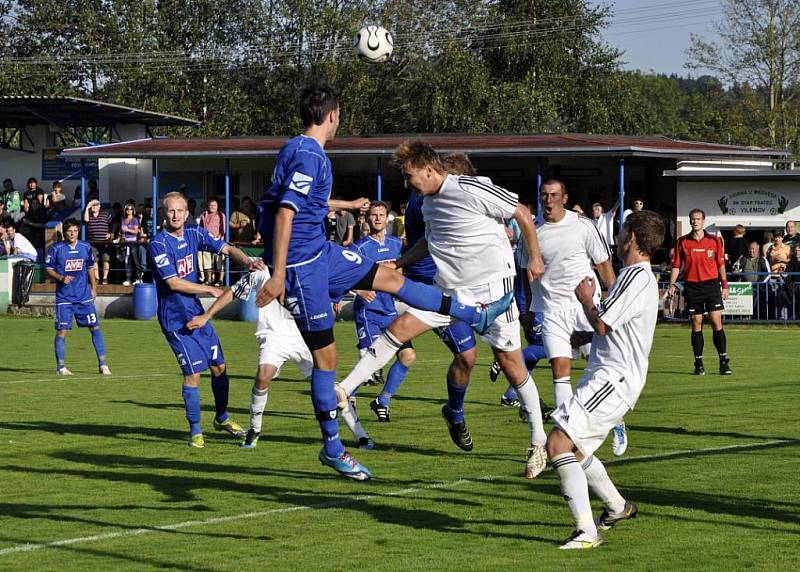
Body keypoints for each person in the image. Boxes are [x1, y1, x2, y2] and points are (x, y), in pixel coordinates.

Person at [256, 85, 513, 481]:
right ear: (333, 114)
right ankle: (333, 450)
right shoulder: (309, 155)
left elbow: (300, 204)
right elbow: (286, 213)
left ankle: (473, 313)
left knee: (391, 276)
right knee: (327, 360)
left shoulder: (295, 148)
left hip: (321, 253)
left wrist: (343, 206)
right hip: (303, 268)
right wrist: (277, 273)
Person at [334, 140, 549, 480]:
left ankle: (538, 441)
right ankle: (344, 389)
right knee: (400, 328)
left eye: (409, 176)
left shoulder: (469, 187)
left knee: (511, 364)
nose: (407, 184)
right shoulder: (425, 203)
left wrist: (534, 257)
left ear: (429, 170)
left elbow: (521, 212)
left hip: (494, 295)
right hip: (448, 293)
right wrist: (401, 263)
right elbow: (428, 242)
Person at [547, 210, 664, 550]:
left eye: (622, 230)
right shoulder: (635, 276)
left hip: (614, 379)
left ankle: (587, 533)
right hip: (609, 376)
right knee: (577, 449)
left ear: (634, 239)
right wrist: (581, 337)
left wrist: (586, 300)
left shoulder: (635, 276)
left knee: (557, 445)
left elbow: (603, 324)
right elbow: (609, 329)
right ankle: (616, 506)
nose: (617, 236)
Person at [148, 192, 262, 448]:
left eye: (179, 210)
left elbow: (227, 248)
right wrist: (210, 289)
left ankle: (221, 418)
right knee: (193, 374)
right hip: (176, 320)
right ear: (164, 213)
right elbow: (173, 282)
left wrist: (248, 261)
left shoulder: (194, 233)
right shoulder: (158, 244)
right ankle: (196, 430)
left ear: (187, 213)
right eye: (170, 211)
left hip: (198, 314)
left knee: (219, 367)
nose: (175, 215)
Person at [532, 179, 628, 456]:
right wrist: (531, 311)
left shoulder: (583, 226)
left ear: (564, 198)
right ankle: (568, 438)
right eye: (543, 196)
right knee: (559, 371)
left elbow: (604, 265)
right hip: (551, 310)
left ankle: (616, 420)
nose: (548, 201)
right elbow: (528, 271)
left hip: (584, 307)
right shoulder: (533, 230)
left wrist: (613, 304)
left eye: (553, 195)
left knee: (599, 370)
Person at [186, 267, 314, 449]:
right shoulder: (262, 270)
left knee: (326, 388)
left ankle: (359, 434)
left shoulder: (304, 266)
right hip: (273, 336)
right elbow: (233, 291)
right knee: (262, 377)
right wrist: (206, 316)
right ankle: (254, 430)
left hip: (303, 334)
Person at [350, 201, 416, 423]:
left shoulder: (397, 245)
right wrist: (358, 289)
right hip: (368, 312)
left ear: (387, 218)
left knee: (408, 356)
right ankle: (347, 393)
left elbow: (405, 272)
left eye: (381, 214)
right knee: (373, 360)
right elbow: (339, 273)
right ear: (367, 219)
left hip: (390, 312)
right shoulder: (359, 248)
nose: (377, 218)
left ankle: (383, 401)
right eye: (373, 215)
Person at [667, 208, 732, 376]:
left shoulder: (714, 240)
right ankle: (699, 363)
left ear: (704, 221)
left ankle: (723, 362)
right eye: (693, 219)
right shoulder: (682, 242)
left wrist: (724, 285)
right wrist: (672, 284)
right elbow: (676, 266)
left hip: (711, 285)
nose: (695, 221)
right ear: (690, 221)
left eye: (698, 219)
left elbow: (721, 265)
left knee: (716, 321)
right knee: (696, 322)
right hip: (692, 286)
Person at [44, 218, 111, 376]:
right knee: (62, 331)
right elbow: (48, 268)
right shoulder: (56, 248)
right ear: (64, 233)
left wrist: (94, 288)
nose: (72, 233)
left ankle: (103, 365)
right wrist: (61, 278)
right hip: (64, 298)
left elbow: (90, 268)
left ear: (78, 232)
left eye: (75, 230)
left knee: (95, 328)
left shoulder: (85, 247)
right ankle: (61, 367)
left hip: (83, 297)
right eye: (69, 231)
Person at [83, 199, 113, 284]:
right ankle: (96, 278)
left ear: (99, 206)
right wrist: (87, 207)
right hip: (93, 242)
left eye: (95, 205)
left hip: (104, 242)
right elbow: (85, 220)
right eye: (92, 205)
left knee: (105, 260)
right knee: (94, 261)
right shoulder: (89, 214)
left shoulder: (105, 214)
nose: (94, 207)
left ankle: (104, 278)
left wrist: (111, 233)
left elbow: (113, 224)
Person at [199, 198, 226, 286]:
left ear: (217, 206)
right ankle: (209, 279)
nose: (212, 207)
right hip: (206, 242)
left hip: (217, 241)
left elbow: (223, 229)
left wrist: (218, 238)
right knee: (207, 261)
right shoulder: (204, 214)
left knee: (219, 261)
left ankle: (220, 280)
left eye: (214, 205)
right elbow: (200, 228)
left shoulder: (221, 215)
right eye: (211, 205)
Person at [120, 203, 143, 286]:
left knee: (135, 260)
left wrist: (127, 229)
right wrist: (127, 230)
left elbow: (136, 231)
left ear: (133, 210)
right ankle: (128, 278)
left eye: (130, 209)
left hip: (133, 241)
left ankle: (139, 278)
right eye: (127, 209)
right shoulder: (123, 219)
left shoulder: (135, 219)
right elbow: (122, 230)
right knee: (127, 260)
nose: (129, 211)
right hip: (125, 241)